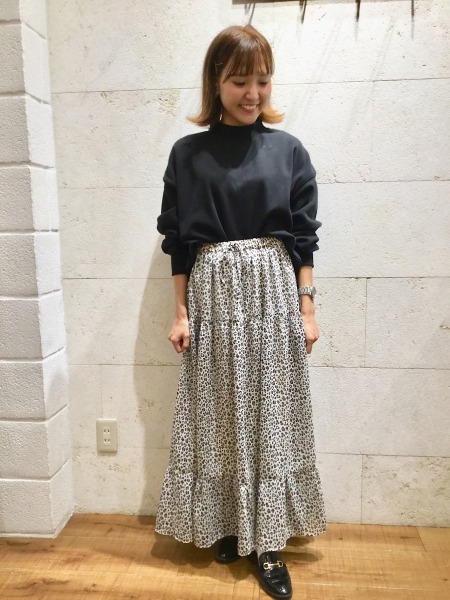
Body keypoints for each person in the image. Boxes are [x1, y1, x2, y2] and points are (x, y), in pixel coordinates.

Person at [155, 24, 327, 600]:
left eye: (262, 80)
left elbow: (304, 237)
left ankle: (268, 541)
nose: (253, 93)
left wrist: (306, 308)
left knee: (271, 413)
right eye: (239, 81)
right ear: (216, 81)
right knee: (218, 413)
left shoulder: (289, 150)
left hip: (273, 294)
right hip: (211, 294)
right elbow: (177, 242)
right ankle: (230, 524)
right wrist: (180, 312)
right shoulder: (187, 154)